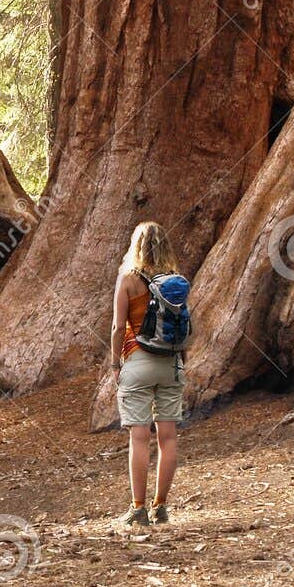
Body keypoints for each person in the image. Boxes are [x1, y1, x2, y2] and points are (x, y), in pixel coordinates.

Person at [111, 221, 183, 526]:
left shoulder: (128, 280)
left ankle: (138, 508)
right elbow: (182, 328)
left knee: (139, 437)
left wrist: (115, 364)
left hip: (137, 361)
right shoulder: (176, 281)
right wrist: (181, 362)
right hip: (171, 363)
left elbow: (117, 327)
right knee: (168, 437)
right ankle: (161, 506)